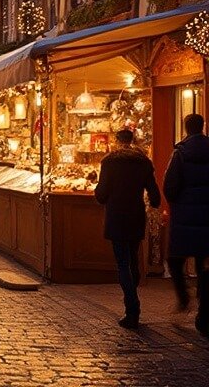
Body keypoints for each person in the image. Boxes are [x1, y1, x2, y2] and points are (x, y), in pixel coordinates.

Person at [94, 128, 161, 329]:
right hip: (135, 216)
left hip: (116, 216)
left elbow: (101, 195)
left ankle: (132, 309)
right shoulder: (144, 163)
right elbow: (155, 197)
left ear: (116, 141)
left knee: (122, 263)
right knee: (132, 259)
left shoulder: (109, 162)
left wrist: (99, 188)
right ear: (133, 140)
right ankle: (134, 296)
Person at [164, 113, 209, 337]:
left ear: (186, 127)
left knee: (174, 261)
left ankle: (183, 298)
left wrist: (178, 203)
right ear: (203, 127)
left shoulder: (180, 153)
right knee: (204, 266)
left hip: (184, 217)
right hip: (206, 218)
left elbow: (170, 186)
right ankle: (204, 312)